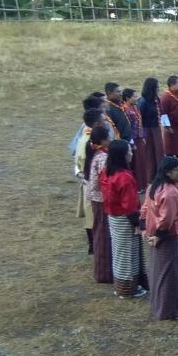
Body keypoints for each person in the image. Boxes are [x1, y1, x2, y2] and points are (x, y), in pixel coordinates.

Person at [142, 157, 178, 320]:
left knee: (158, 271)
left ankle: (159, 306)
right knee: (170, 273)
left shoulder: (153, 187)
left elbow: (145, 209)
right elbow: (167, 219)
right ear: (169, 173)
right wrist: (159, 236)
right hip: (168, 237)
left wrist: (145, 230)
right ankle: (170, 309)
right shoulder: (170, 192)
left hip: (155, 235)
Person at [101, 139, 147, 299]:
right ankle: (127, 289)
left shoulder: (107, 170)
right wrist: (137, 223)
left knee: (119, 251)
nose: (131, 152)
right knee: (128, 253)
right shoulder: (124, 177)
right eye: (129, 151)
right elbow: (130, 204)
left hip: (113, 217)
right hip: (125, 219)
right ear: (122, 155)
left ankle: (122, 286)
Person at [84, 124, 113, 284]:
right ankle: (104, 272)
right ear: (103, 140)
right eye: (109, 136)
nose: (111, 139)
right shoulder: (102, 158)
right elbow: (104, 183)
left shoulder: (98, 153)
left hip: (97, 198)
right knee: (103, 235)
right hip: (101, 199)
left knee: (101, 232)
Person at [75, 109, 103, 255]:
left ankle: (93, 245)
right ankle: (94, 245)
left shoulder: (85, 136)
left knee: (90, 216)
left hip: (86, 180)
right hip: (92, 183)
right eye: (102, 119)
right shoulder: (91, 141)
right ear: (98, 122)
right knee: (93, 217)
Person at [137, 77, 166, 188]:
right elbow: (140, 119)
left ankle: (159, 176)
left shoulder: (156, 99)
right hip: (147, 130)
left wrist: (166, 125)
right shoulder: (143, 102)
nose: (158, 89)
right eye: (156, 87)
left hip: (155, 129)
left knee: (159, 152)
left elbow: (162, 112)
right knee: (149, 154)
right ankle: (150, 178)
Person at [120, 89, 147, 192]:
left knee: (142, 161)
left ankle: (143, 184)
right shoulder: (125, 110)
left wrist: (143, 136)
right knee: (135, 162)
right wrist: (131, 143)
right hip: (133, 140)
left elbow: (140, 122)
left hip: (139, 138)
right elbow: (128, 128)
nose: (136, 98)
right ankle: (137, 185)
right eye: (134, 97)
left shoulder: (135, 107)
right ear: (127, 98)